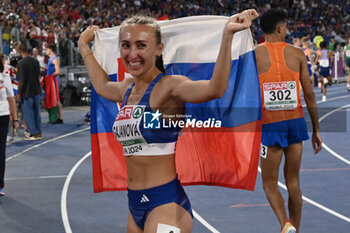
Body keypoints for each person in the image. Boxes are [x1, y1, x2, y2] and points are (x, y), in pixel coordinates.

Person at [78, 10, 258, 233]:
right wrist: (84, 48)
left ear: (159, 49)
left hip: (164, 203)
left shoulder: (170, 87)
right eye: (126, 45)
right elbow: (102, 86)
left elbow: (215, 88)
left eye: (141, 45)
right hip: (134, 204)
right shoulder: (127, 89)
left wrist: (227, 35)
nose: (132, 53)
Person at [255, 9, 322, 233]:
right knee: (293, 181)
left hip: (269, 126)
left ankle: (285, 224)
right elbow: (310, 94)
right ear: (280, 29)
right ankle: (296, 229)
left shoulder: (254, 54)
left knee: (269, 183)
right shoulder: (297, 53)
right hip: (295, 123)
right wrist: (317, 130)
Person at [0, 52, 19, 196]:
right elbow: (11, 99)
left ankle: (0, 184)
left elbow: (11, 99)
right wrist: (16, 120)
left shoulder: (5, 77)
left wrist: (15, 118)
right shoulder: (5, 77)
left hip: (3, 115)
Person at [16, 43, 42, 140]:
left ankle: (33, 133)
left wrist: (19, 93)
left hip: (26, 91)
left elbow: (21, 81)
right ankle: (39, 133)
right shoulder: (35, 61)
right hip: (36, 89)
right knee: (37, 112)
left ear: (20, 51)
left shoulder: (22, 63)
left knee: (28, 113)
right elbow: (39, 76)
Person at [45, 44, 63, 124]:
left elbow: (58, 71)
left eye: (46, 49)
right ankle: (59, 117)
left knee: (55, 99)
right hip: (51, 81)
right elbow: (50, 69)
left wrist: (51, 77)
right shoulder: (51, 59)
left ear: (50, 49)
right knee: (55, 99)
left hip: (53, 81)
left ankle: (59, 117)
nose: (46, 51)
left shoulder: (55, 59)